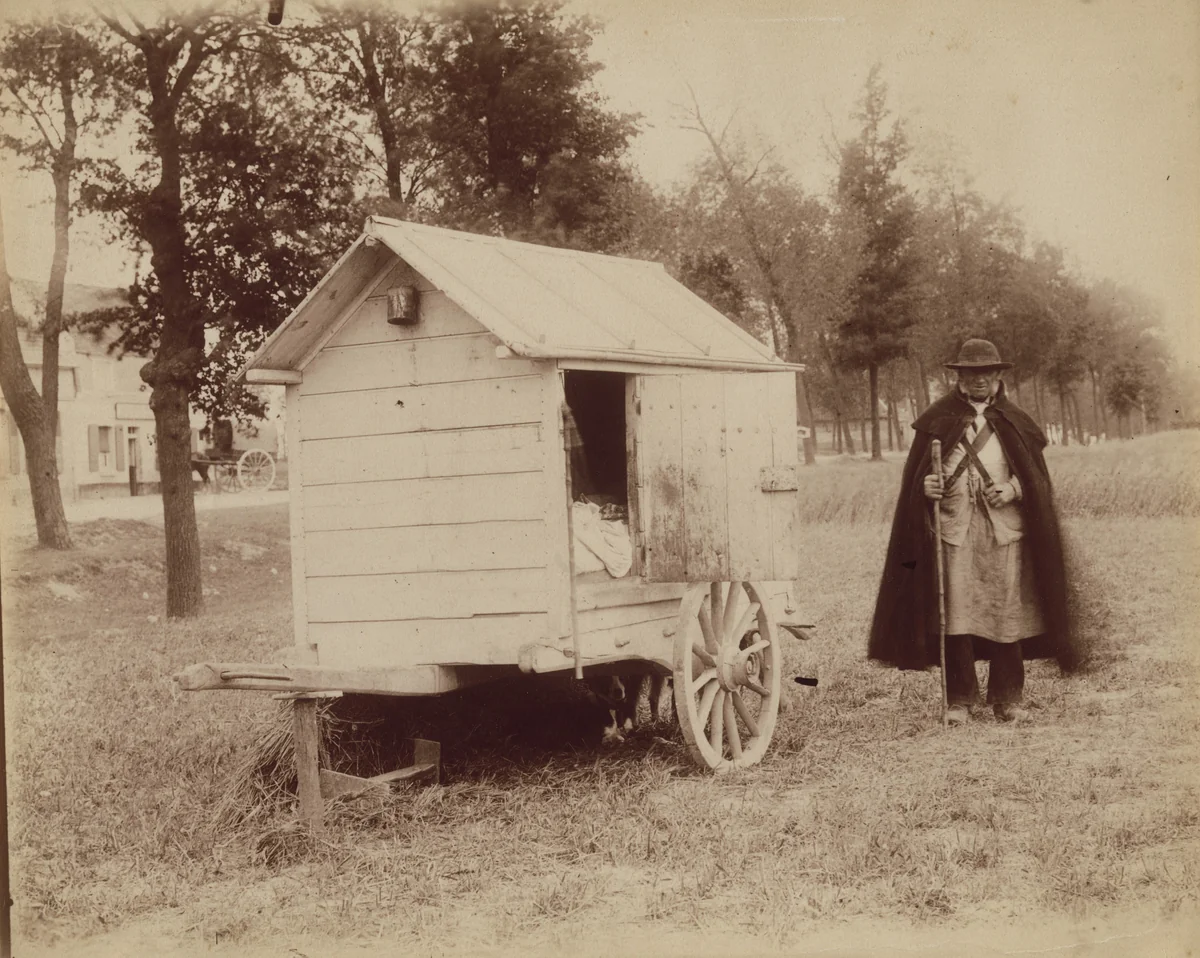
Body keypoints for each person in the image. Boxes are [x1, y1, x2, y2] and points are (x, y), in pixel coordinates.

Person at [868, 339, 1084, 724]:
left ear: (998, 375)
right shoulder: (936, 418)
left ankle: (1008, 698)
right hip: (954, 528)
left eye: (985, 373)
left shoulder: (1017, 421)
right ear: (959, 377)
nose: (978, 380)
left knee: (1006, 611)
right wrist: (926, 487)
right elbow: (917, 478)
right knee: (956, 613)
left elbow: (1036, 480)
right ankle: (960, 700)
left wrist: (1013, 488)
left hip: (1005, 530)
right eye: (970, 373)